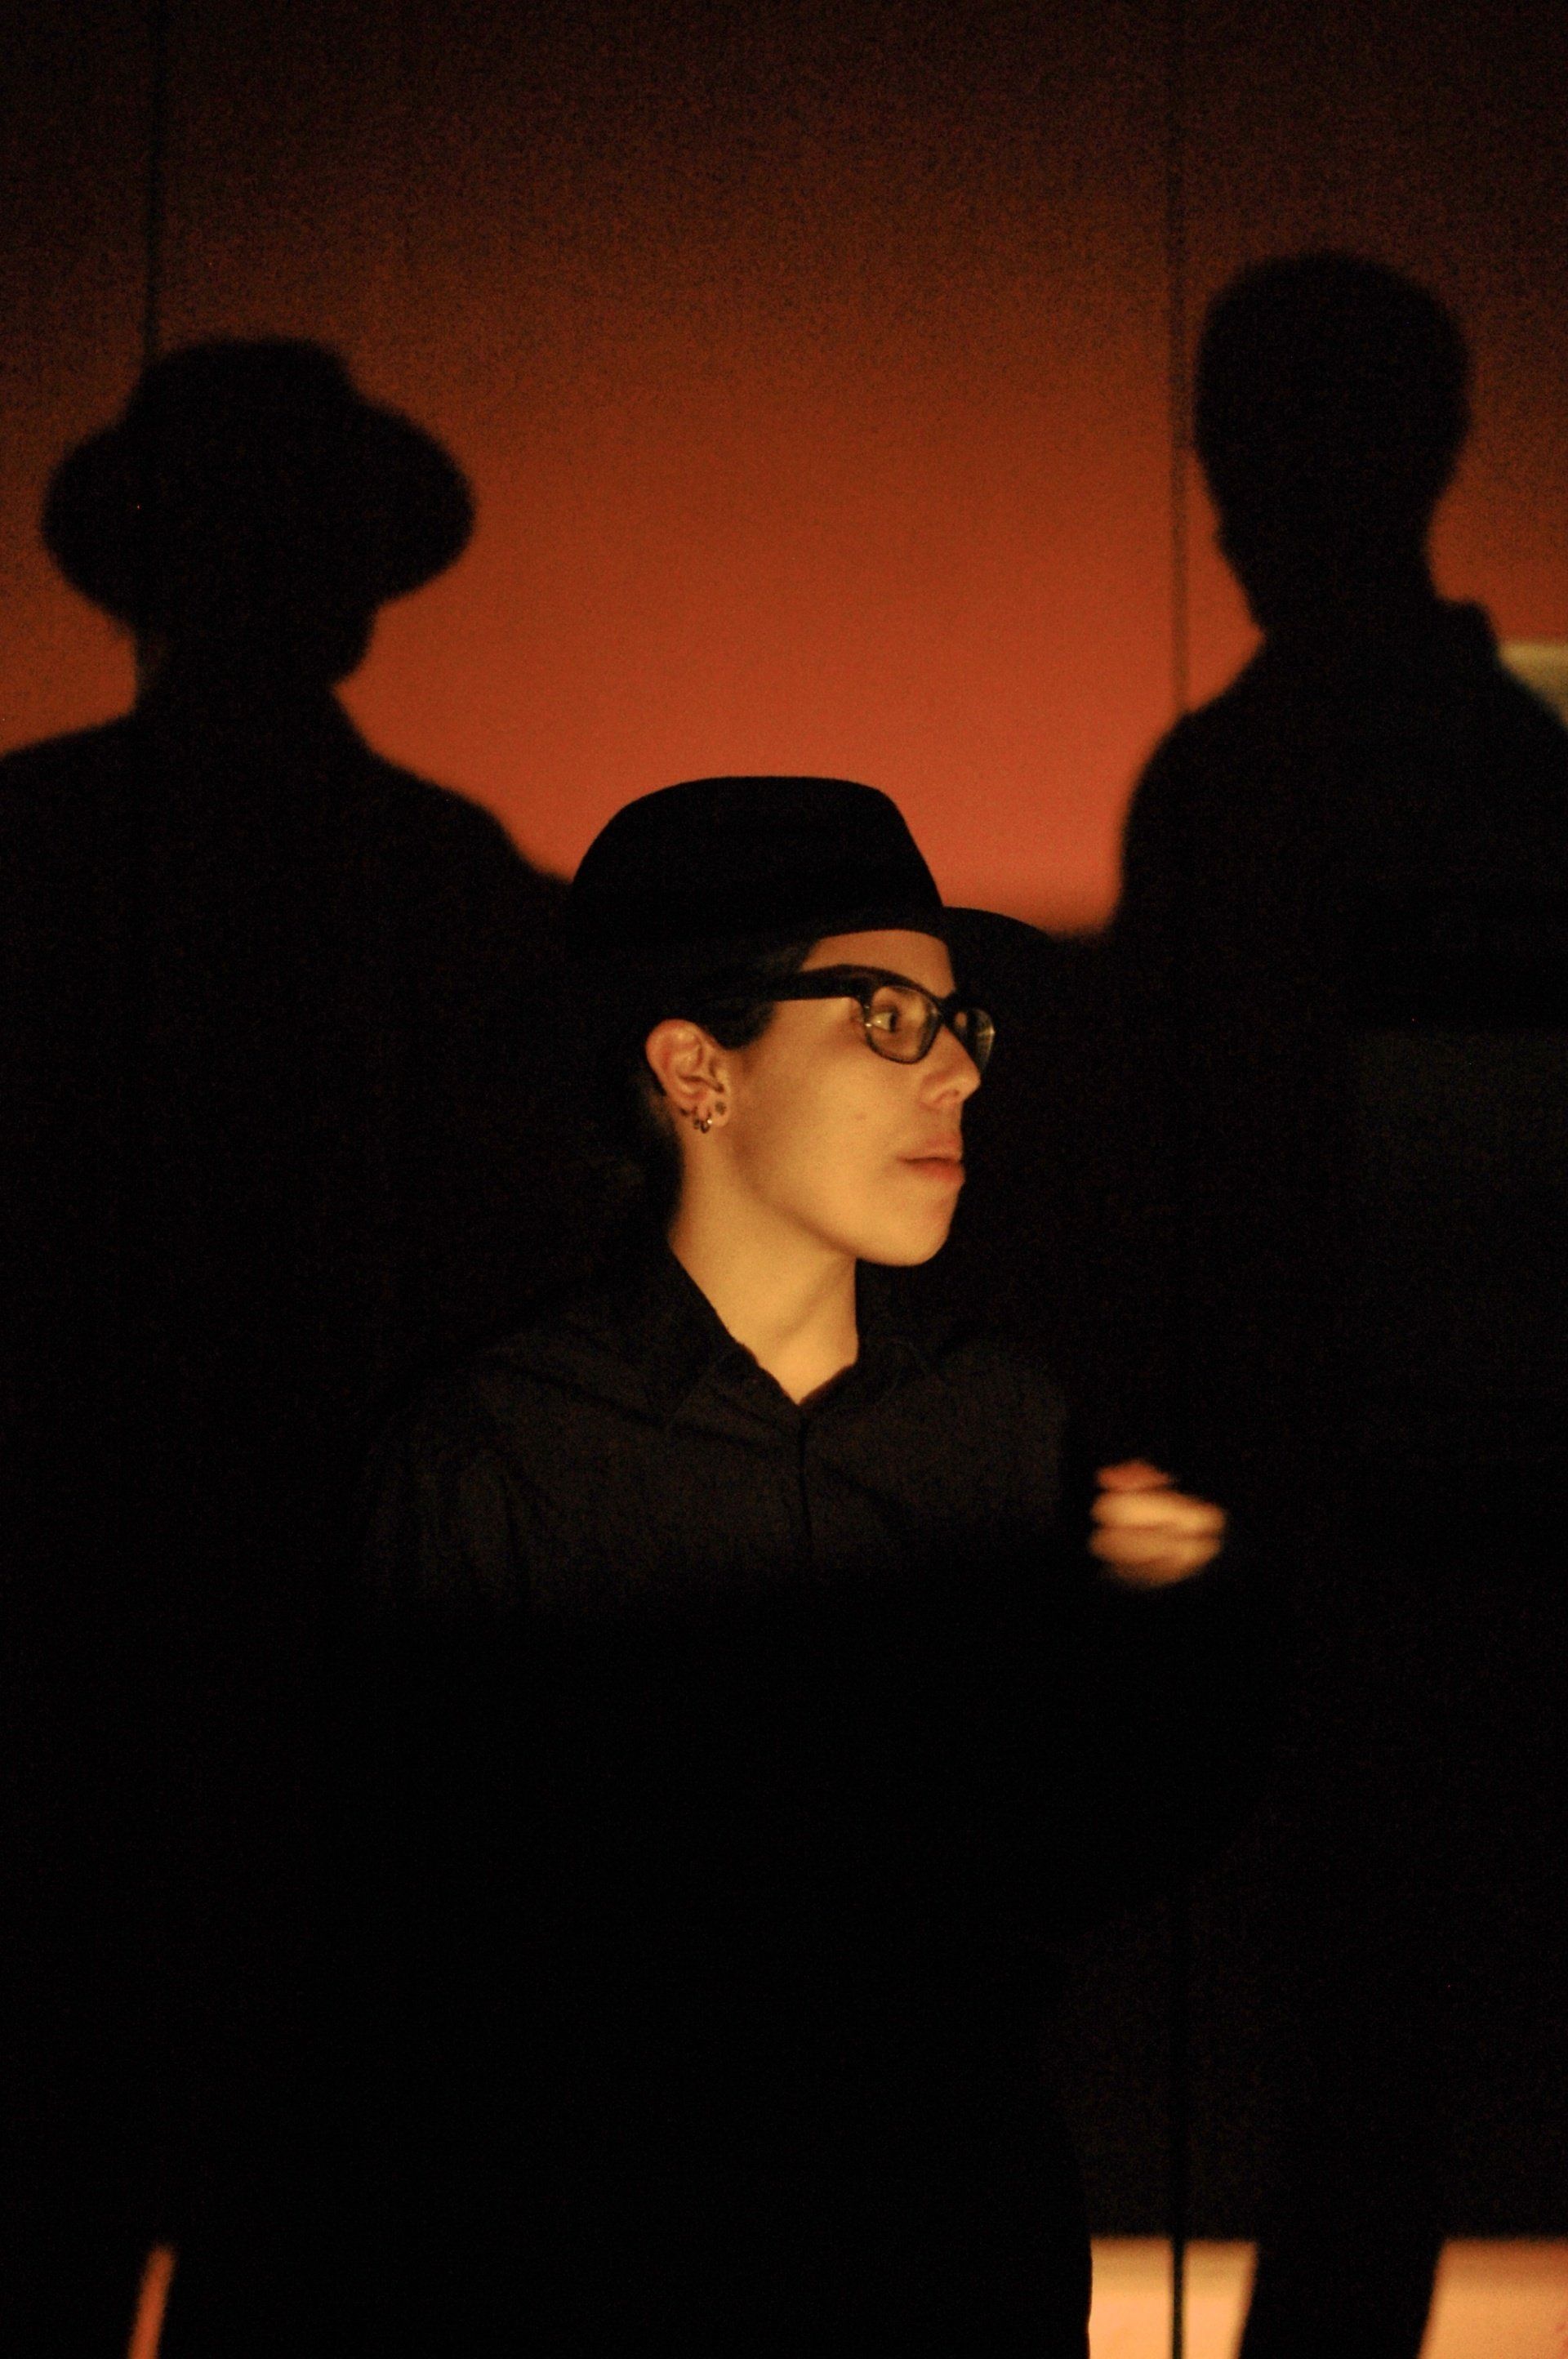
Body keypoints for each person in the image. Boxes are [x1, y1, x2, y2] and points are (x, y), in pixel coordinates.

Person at [362, 774, 1267, 2356]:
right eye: (888, 1020)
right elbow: (414, 1956)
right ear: (696, 1069)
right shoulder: (499, 1452)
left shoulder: (999, 1427)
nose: (959, 1073)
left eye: (963, 1024)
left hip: (958, 2254)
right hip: (612, 2267)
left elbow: (1099, 1860)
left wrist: (1172, 1639)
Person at [0, 342, 604, 2353]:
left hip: (64, 1656)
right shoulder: (447, 886)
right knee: (309, 2232)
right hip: (346, 1681)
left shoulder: (35, 849)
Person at [1111, 256, 1568, 2353]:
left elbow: (1188, 1185)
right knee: (1379, 2080)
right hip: (1439, 1521)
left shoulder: (1235, 776)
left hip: (1334, 1527)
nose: (1232, 500)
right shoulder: (1494, 769)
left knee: (1350, 2072)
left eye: (1254, 448)